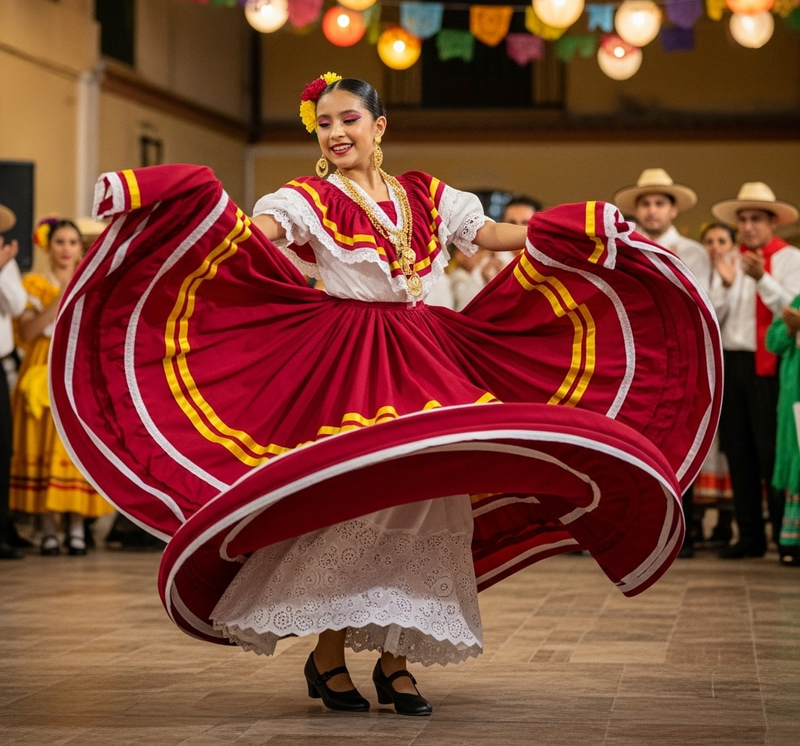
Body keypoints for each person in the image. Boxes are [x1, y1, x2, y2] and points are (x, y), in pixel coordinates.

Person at [48, 75, 720, 718]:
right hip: (350, 357)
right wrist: (206, 233)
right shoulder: (307, 199)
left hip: (426, 349)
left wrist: (562, 231)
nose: (337, 133)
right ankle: (330, 652)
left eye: (349, 120)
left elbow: (485, 235)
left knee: (432, 496)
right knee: (355, 500)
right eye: (324, 124)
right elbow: (262, 237)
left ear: (379, 126)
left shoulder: (424, 194)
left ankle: (398, 658)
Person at [614, 168, 710, 557]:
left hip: (683, 352)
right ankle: (640, 527)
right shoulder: (625, 247)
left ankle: (682, 527)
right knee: (638, 434)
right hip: (640, 355)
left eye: (659, 203)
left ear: (673, 211)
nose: (652, 211)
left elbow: (696, 300)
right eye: (646, 204)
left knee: (678, 434)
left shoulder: (694, 251)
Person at [8, 218, 115, 556]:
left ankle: (77, 526)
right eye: (60, 242)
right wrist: (61, 299)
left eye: (72, 242)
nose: (66, 249)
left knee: (78, 445)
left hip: (79, 368)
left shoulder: (92, 282)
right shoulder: (35, 284)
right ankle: (50, 527)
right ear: (47, 246)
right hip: (43, 367)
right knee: (45, 442)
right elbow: (26, 332)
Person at [710, 182, 800, 559]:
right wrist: (728, 284)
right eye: (743, 220)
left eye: (756, 219)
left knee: (771, 451)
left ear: (773, 222)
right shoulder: (729, 258)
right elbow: (713, 313)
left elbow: (792, 311)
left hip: (771, 363)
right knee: (739, 451)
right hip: (733, 361)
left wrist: (762, 277)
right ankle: (748, 536)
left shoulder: (790, 258)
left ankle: (785, 535)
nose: (748, 227)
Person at [692, 222, 737, 546]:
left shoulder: (737, 273)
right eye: (708, 241)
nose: (715, 247)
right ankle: (700, 518)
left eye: (722, 240)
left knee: (728, 448)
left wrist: (726, 282)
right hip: (703, 366)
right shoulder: (700, 269)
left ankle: (726, 518)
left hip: (731, 363)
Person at [453, 195, 541, 310]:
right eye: (512, 223)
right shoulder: (488, 265)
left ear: (537, 225)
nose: (518, 229)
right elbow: (465, 309)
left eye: (525, 222)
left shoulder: (546, 262)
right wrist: (491, 285)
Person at [0, 204, 27, 559]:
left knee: (4, 447)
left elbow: (18, 307)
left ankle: (4, 525)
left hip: (1, 361)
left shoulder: (6, 263)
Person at [765, 295, 800, 566]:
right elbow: (773, 342)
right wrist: (790, 328)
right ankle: (792, 540)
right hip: (794, 394)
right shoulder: (798, 300)